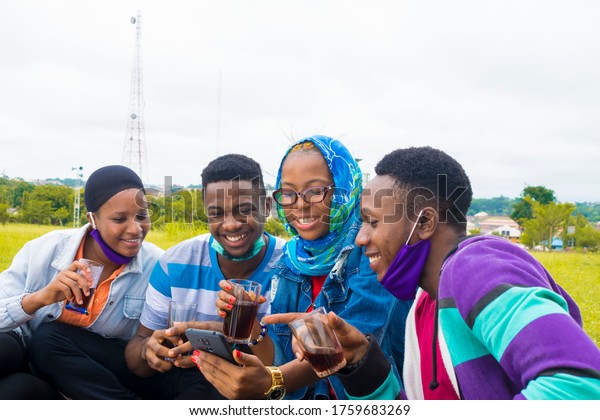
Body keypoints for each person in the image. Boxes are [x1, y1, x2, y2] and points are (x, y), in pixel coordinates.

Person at [271, 146, 600, 400]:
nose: (361, 238)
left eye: (372, 221)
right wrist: (360, 361)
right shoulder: (422, 307)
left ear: (425, 222)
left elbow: (579, 384)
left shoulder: (476, 266)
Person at [195, 135, 410, 399]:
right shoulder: (291, 260)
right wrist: (252, 329)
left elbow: (350, 345)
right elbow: (281, 356)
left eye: (315, 191)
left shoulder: (372, 251)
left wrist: (272, 381)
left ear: (343, 189)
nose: (300, 204)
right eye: (288, 193)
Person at [124, 154, 286, 399]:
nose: (230, 225)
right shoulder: (175, 262)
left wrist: (227, 338)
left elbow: (286, 367)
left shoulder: (290, 266)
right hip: (176, 378)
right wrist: (151, 351)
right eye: (216, 214)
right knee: (54, 339)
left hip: (245, 389)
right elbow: (136, 355)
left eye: (244, 211)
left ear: (265, 207)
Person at [0, 165, 164, 399]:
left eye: (142, 216)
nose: (135, 228)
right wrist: (41, 298)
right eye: (119, 219)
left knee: (46, 343)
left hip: (92, 375)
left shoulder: (157, 266)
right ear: (92, 219)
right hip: (29, 360)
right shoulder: (45, 249)